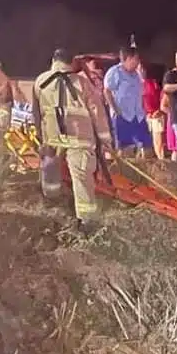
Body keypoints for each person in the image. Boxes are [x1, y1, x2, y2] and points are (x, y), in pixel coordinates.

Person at [32, 48, 112, 233]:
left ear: (54, 60)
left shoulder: (40, 81)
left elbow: (36, 112)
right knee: (82, 180)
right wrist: (105, 139)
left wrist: (41, 138)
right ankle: (87, 223)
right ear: (71, 63)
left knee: (50, 175)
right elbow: (97, 111)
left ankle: (52, 208)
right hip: (80, 140)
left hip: (52, 139)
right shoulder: (82, 82)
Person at [103, 46, 149, 157]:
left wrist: (143, 79)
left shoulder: (137, 74)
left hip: (138, 115)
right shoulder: (115, 72)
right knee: (125, 149)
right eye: (136, 59)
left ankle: (142, 170)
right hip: (123, 116)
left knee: (147, 146)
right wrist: (115, 109)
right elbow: (107, 91)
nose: (138, 62)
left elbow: (142, 93)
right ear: (127, 58)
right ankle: (123, 172)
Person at [140, 62, 166, 160]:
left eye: (142, 69)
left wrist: (159, 110)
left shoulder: (152, 83)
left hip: (156, 115)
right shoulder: (135, 84)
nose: (141, 71)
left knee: (158, 141)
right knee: (144, 142)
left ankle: (162, 161)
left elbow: (162, 97)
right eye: (139, 69)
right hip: (144, 116)